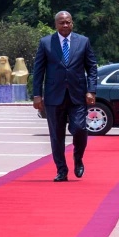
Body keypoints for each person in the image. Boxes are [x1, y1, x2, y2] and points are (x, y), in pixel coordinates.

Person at [32, 11, 97, 182]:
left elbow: (92, 67)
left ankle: (78, 157)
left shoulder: (83, 41)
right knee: (57, 136)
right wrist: (37, 94)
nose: (65, 25)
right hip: (54, 96)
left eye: (68, 22)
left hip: (78, 95)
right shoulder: (46, 43)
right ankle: (61, 170)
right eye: (62, 22)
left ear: (72, 23)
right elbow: (38, 71)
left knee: (80, 128)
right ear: (56, 24)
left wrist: (91, 90)